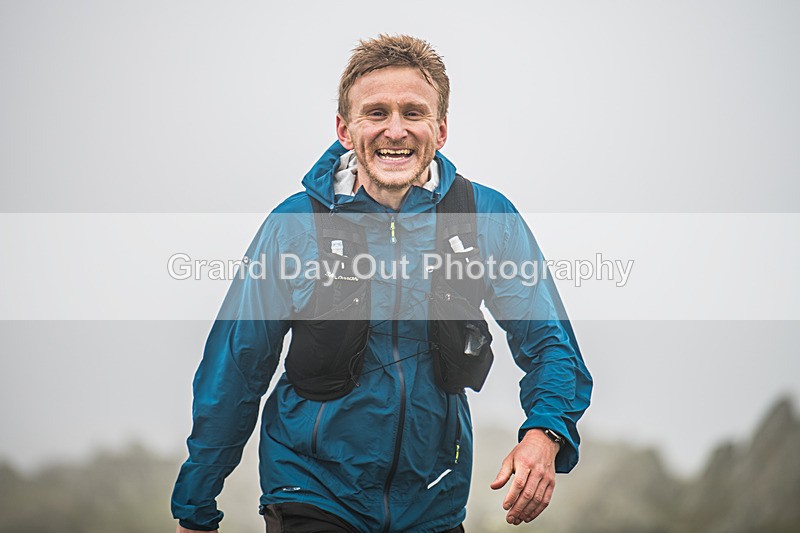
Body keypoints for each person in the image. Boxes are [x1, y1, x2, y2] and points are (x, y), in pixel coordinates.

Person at [172, 34, 592, 532]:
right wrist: (195, 506)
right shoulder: (293, 226)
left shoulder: (486, 217)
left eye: (413, 112)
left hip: (434, 501)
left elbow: (550, 344)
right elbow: (237, 367)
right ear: (345, 129)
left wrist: (545, 434)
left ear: (441, 128)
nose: (395, 130)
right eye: (376, 113)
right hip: (311, 492)